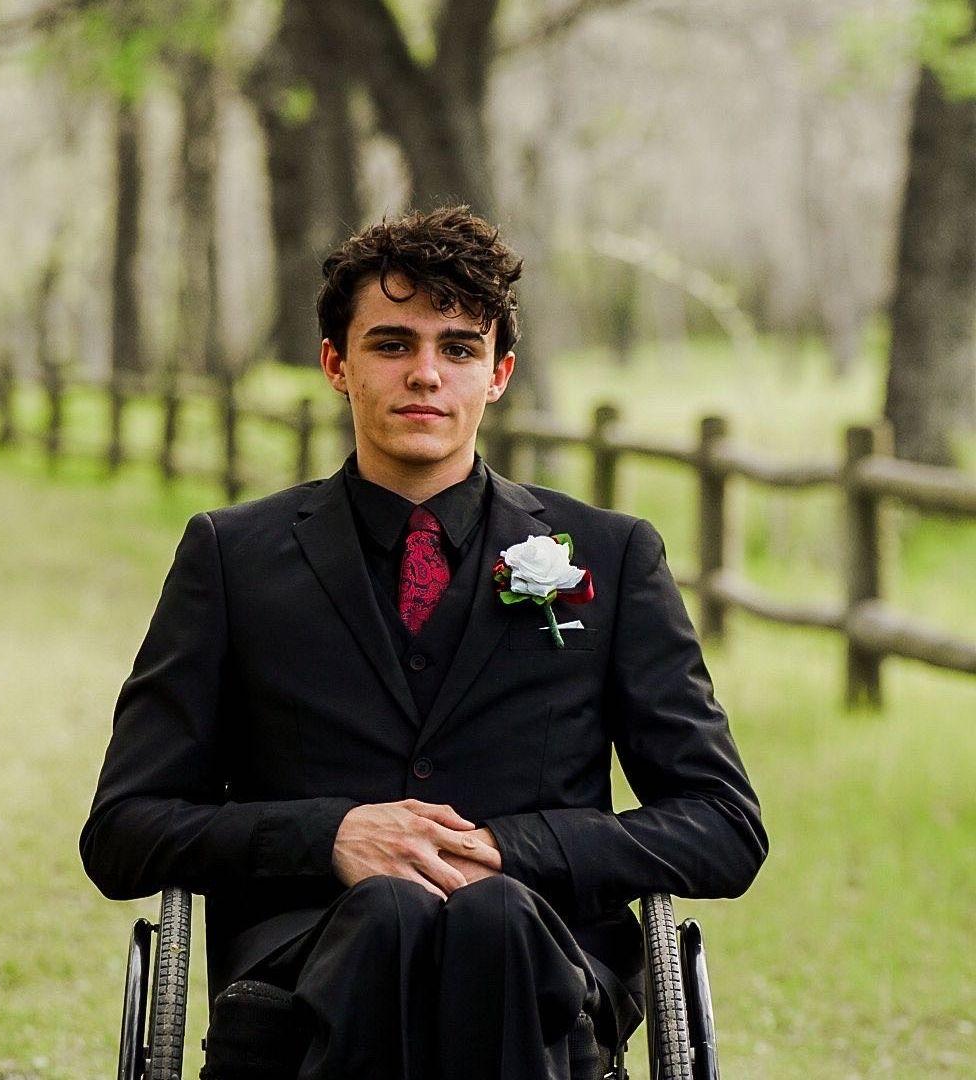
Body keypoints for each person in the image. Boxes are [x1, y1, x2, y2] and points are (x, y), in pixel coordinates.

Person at [80, 206, 767, 1080]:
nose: (426, 375)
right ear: (337, 364)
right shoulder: (232, 558)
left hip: (543, 970)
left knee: (496, 919)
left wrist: (512, 850)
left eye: (459, 348)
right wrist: (330, 836)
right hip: (308, 976)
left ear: (499, 373)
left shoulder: (611, 555)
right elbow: (124, 830)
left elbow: (723, 825)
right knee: (390, 916)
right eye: (392, 344)